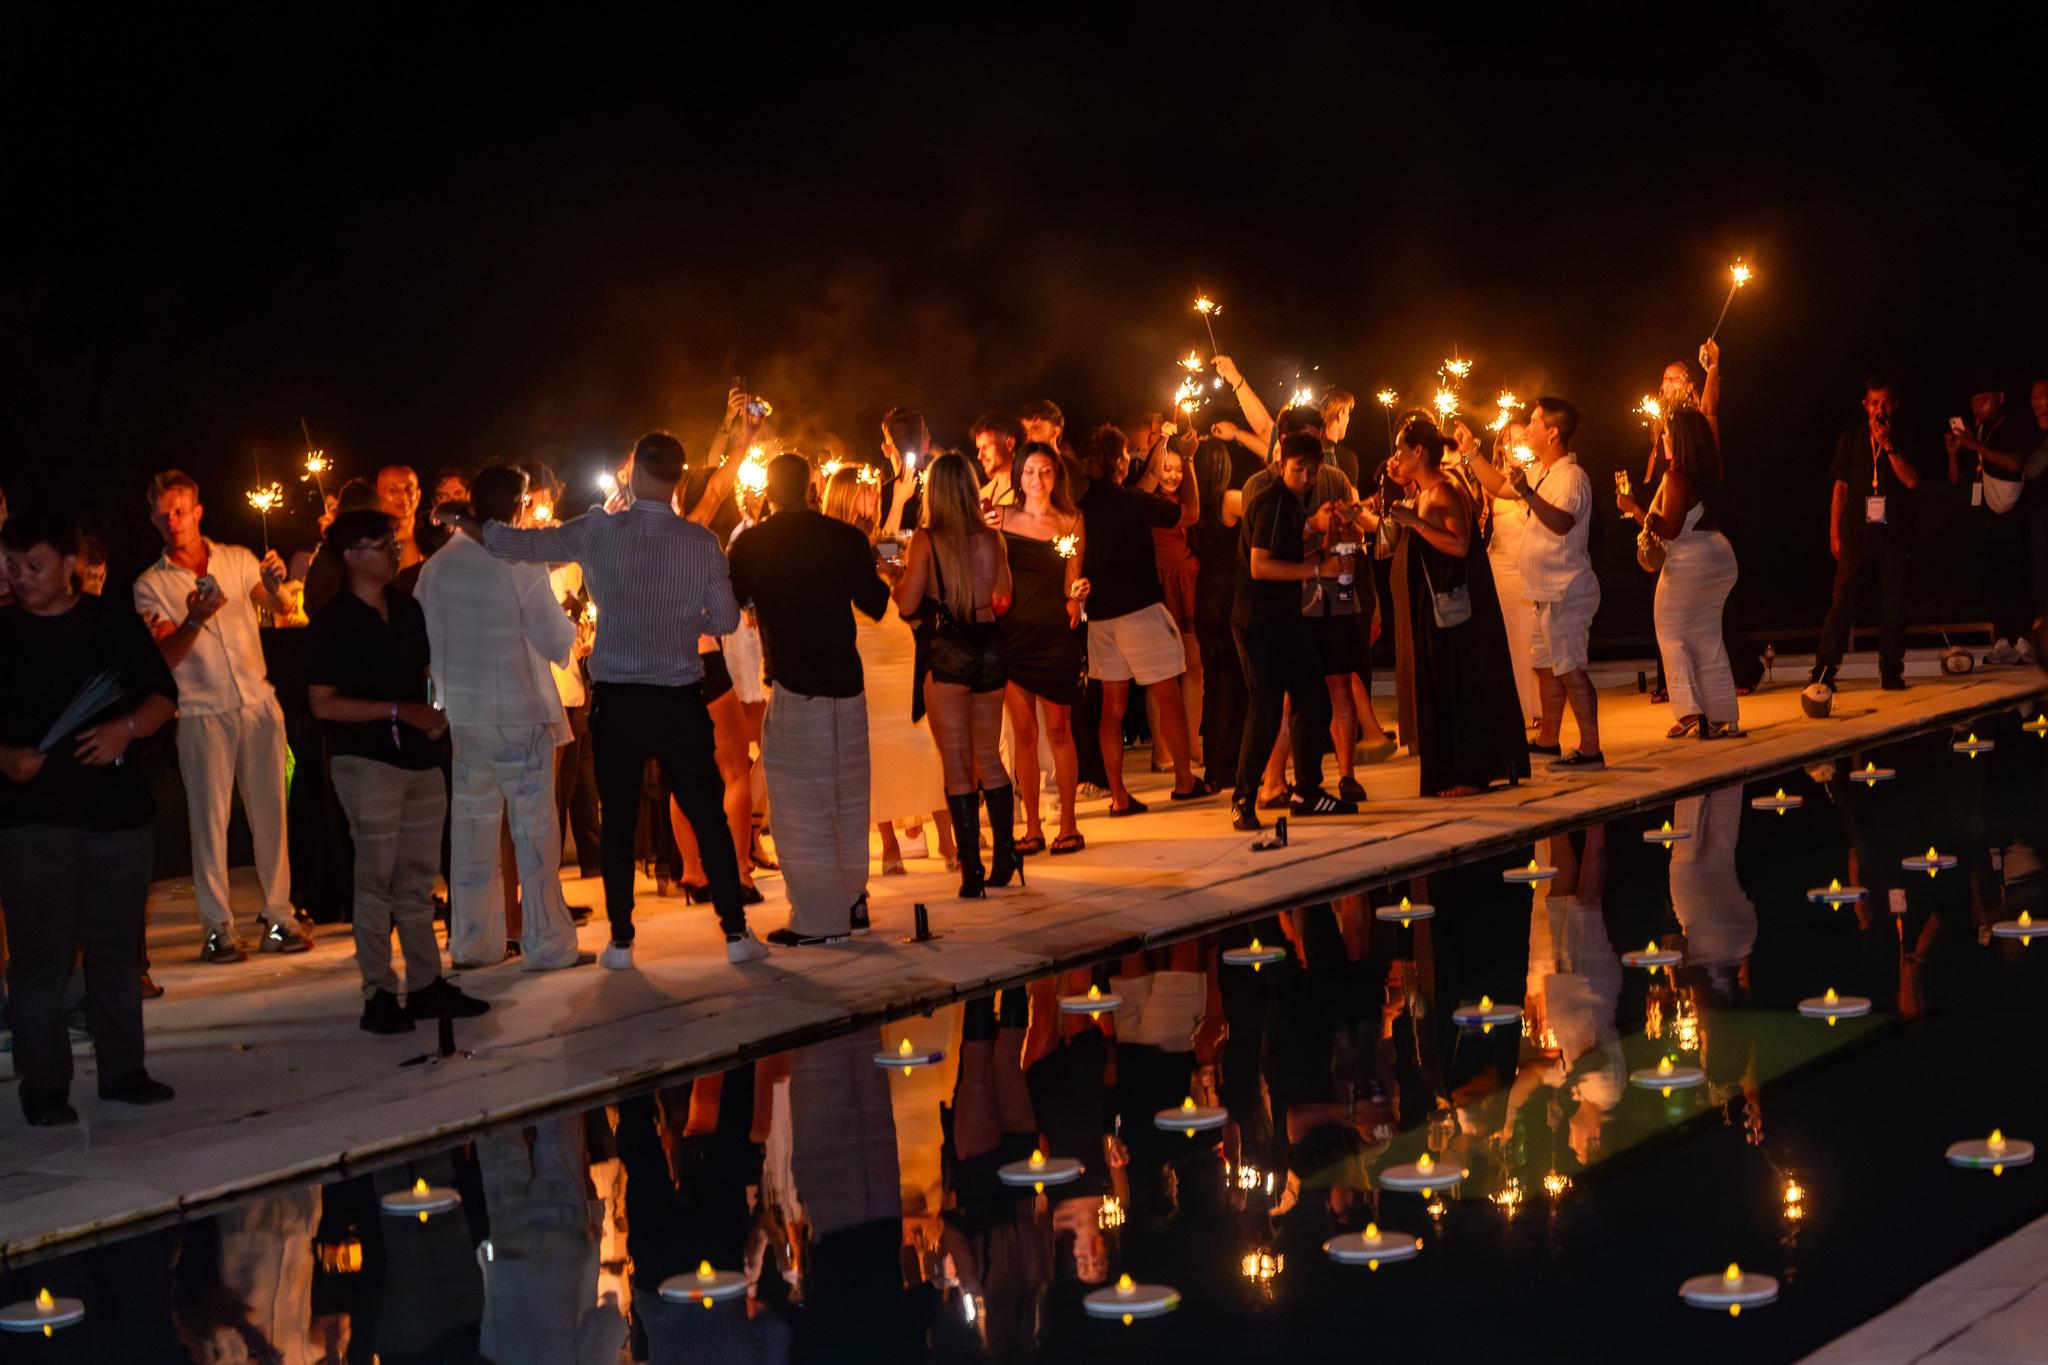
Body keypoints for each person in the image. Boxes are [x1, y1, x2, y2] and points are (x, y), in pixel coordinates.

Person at [450, 431, 767, 966]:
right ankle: (736, 934)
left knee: (617, 816)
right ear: (678, 480)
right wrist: (688, 619)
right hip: (678, 695)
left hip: (618, 698)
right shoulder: (699, 544)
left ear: (635, 475)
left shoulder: (598, 531)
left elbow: (516, 546)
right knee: (706, 811)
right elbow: (728, 619)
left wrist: (464, 521)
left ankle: (621, 941)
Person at [1, 505, 180, 1125]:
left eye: (33, 564)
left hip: (117, 814)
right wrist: (5, 757)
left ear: (72, 565)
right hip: (31, 819)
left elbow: (162, 698)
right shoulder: (3, 633)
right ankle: (44, 1086)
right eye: (11, 565)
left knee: (114, 950)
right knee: (41, 957)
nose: (19, 576)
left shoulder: (111, 623)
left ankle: (123, 1070)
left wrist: (124, 729)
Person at [305, 509, 489, 1033]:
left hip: (419, 759)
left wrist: (432, 712)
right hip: (367, 763)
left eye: (392, 542)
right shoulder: (332, 622)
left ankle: (426, 985)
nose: (393, 552)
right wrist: (395, 710)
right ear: (350, 556)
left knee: (416, 882)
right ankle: (378, 992)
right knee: (375, 880)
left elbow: (425, 674)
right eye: (380, 544)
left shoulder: (407, 609)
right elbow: (322, 704)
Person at [133, 470, 310, 962]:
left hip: (258, 702)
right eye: (164, 512)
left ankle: (279, 917)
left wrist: (278, 585)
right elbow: (165, 656)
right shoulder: (150, 585)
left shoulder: (236, 558)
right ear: (153, 518)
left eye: (180, 510)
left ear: (197, 511)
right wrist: (194, 619)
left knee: (271, 815)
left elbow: (278, 608)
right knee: (209, 821)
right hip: (200, 710)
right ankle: (217, 928)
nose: (173, 520)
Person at [415, 463, 585, 971]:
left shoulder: (436, 568)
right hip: (520, 713)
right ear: (517, 504)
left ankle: (473, 945)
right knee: (534, 837)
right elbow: (556, 640)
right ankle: (547, 944)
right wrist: (573, 624)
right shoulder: (518, 563)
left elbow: (422, 642)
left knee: (472, 835)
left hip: (464, 717)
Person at [729, 454, 892, 946]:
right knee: (848, 798)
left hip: (796, 683)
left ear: (769, 491)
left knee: (801, 806)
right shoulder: (845, 538)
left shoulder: (753, 544)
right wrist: (883, 568)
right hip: (847, 681)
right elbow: (877, 605)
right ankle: (851, 899)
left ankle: (819, 920)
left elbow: (728, 605)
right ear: (813, 487)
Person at [891, 451, 1018, 898]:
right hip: (989, 646)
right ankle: (1006, 856)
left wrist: (895, 579)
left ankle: (971, 870)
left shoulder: (926, 540)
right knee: (989, 756)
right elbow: (1004, 598)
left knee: (957, 765)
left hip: (949, 649)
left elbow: (907, 606)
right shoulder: (992, 539)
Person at [820, 468, 956, 875]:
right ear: (845, 497)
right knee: (875, 747)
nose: (874, 500)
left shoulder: (886, 536)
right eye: (865, 493)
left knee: (924, 742)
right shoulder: (829, 543)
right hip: (859, 642)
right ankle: (890, 843)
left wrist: (895, 567)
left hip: (898, 642)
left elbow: (900, 582)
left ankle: (948, 841)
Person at [1387, 417, 1532, 795]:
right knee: (1441, 686)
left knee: (1461, 687)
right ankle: (1451, 769)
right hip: (1435, 609)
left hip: (1457, 610)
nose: (1395, 457)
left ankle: (1472, 773)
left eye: (1400, 451)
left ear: (1418, 452)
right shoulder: (1424, 488)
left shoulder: (1446, 489)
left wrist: (1414, 523)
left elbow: (1460, 545)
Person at [1074, 423, 1211, 813]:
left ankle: (1118, 795)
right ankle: (1184, 780)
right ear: (1119, 461)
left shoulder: (1082, 507)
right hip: (1141, 610)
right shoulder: (1133, 502)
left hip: (1100, 618)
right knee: (1168, 695)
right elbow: (1191, 513)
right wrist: (1187, 458)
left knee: (1112, 708)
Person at [1230, 434, 1356, 830]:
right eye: (1297, 468)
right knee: (1265, 709)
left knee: (1314, 699)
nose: (1304, 476)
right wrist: (1320, 568)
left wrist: (1322, 546)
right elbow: (1261, 566)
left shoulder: (1292, 503)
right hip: (1259, 620)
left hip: (1285, 617)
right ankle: (1244, 798)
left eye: (1311, 470)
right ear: (1281, 463)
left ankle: (1308, 792)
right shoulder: (1270, 502)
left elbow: (1288, 551)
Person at [1618, 407, 1742, 737]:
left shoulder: (1677, 477)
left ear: (1680, 438)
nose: (1663, 438)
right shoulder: (1707, 472)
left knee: (1671, 633)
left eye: (1668, 433)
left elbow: (1669, 528)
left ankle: (1689, 710)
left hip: (1691, 560)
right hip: (1718, 554)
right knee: (1707, 637)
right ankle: (1720, 713)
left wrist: (1633, 509)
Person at [994, 443, 1089, 856]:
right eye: (1030, 471)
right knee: (1023, 734)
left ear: (1057, 475)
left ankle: (1068, 823)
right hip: (1011, 634)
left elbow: (1072, 578)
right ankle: (1031, 827)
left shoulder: (1070, 520)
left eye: (1046, 471)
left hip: (1054, 634)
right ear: (1018, 475)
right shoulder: (1000, 518)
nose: (1037, 480)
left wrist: (1079, 595)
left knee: (1059, 729)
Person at [1506, 398, 1604, 767]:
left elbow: (1563, 522)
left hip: (1567, 590)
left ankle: (1591, 747)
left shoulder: (1571, 477)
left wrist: (1528, 493)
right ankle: (1548, 738)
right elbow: (1503, 488)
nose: (1527, 427)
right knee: (1546, 667)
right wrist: (1469, 454)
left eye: (1534, 421)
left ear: (1553, 432)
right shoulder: (1541, 471)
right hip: (1543, 591)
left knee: (1571, 669)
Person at [1811, 379, 1920, 694]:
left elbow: (1912, 481)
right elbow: (1840, 488)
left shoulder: (1904, 437)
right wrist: (1834, 531)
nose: (1879, 409)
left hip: (1894, 532)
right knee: (1842, 602)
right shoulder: (1850, 439)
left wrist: (1890, 447)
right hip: (1857, 532)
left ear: (1894, 405)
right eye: (1873, 403)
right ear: (1865, 405)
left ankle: (1890, 672)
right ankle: (1823, 671)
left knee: (1893, 605)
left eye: (1885, 403)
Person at [1945, 381, 2035, 665]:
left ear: (2001, 397)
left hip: (2015, 512)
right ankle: (2004, 639)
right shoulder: (1981, 430)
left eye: (1983, 399)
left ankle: (2025, 639)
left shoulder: (2013, 425)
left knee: (2018, 574)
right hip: (1987, 512)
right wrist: (1955, 451)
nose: (1977, 406)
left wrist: (1975, 445)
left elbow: (2015, 463)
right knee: (1992, 578)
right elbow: (1955, 480)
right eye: (1973, 400)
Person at [1474, 421, 1542, 726]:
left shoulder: (1537, 476)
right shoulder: (1492, 482)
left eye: (1521, 438)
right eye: (1509, 439)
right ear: (1501, 444)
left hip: (1526, 564)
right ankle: (1513, 707)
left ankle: (1536, 706)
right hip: (1500, 563)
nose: (1515, 444)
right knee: (1508, 637)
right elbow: (1482, 519)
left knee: (1529, 637)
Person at [1145, 439, 1204, 779]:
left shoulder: (1190, 498)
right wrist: (1163, 444)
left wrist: (1188, 458)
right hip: (1160, 584)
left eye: (1178, 469)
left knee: (1194, 667)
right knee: (1160, 671)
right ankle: (1162, 748)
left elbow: (1195, 514)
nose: (1173, 475)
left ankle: (1193, 743)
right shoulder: (1148, 502)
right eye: (1167, 468)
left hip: (1190, 583)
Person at [376, 465, 426, 575]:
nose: (403, 496)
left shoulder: (432, 537)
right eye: (393, 490)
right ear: (379, 496)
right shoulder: (373, 543)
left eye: (409, 489)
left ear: (418, 494)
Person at [970, 411, 1022, 512]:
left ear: (1009, 444)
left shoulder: (1031, 491)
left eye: (986, 447)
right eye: (979, 448)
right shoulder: (982, 495)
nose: (980, 456)